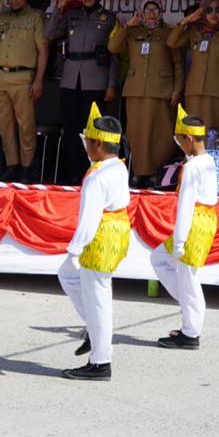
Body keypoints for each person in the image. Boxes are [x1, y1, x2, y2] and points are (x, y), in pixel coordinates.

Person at [58, 105, 131, 381]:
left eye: (87, 141)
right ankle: (93, 328)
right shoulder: (118, 166)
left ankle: (100, 361)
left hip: (101, 237)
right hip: (117, 232)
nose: (85, 146)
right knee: (69, 277)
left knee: (98, 299)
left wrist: (75, 249)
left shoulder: (97, 177)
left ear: (98, 144)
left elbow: (89, 219)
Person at [150, 107, 218, 349]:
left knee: (188, 279)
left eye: (179, 141)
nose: (178, 145)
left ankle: (190, 332)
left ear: (189, 138)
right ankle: (191, 315)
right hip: (205, 221)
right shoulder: (208, 160)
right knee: (160, 259)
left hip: (195, 223)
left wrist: (179, 242)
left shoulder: (191, 167)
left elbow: (186, 206)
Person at [43, 0, 120, 182]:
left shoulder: (109, 19)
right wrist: (60, 7)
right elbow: (48, 33)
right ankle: (73, 173)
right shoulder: (71, 15)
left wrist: (111, 84)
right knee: (70, 128)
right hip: (70, 79)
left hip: (96, 80)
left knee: (93, 129)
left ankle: (92, 172)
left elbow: (114, 56)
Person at [0, 0, 48, 183]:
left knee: (25, 126)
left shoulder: (36, 17)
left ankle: (26, 167)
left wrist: (39, 80)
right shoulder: (1, 18)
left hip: (23, 77)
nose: (15, 1)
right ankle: (12, 165)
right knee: (4, 125)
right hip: (0, 76)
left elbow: (43, 50)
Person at [108, 0, 183, 188]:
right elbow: (112, 47)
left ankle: (156, 172)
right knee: (136, 133)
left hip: (161, 90)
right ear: (141, 12)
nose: (151, 14)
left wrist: (177, 89)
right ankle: (138, 172)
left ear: (161, 12)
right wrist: (127, 26)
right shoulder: (133, 32)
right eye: (147, 10)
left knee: (160, 134)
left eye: (155, 10)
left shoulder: (168, 32)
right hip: (136, 89)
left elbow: (178, 63)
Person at [167, 0, 219, 138]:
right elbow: (171, 42)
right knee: (193, 134)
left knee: (215, 133)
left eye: (218, 10)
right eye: (209, 10)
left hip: (218, 92)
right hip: (194, 91)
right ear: (202, 13)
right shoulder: (194, 30)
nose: (214, 13)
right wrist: (186, 21)